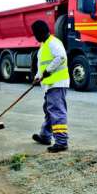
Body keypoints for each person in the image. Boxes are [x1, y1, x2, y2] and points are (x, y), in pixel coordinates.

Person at [31, 20, 70, 153]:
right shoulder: (44, 46)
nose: (35, 37)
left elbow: (61, 57)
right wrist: (37, 77)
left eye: (35, 34)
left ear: (39, 33)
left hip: (57, 83)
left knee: (57, 112)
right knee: (49, 110)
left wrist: (48, 71)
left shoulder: (53, 42)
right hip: (50, 85)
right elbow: (42, 66)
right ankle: (45, 136)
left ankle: (61, 142)